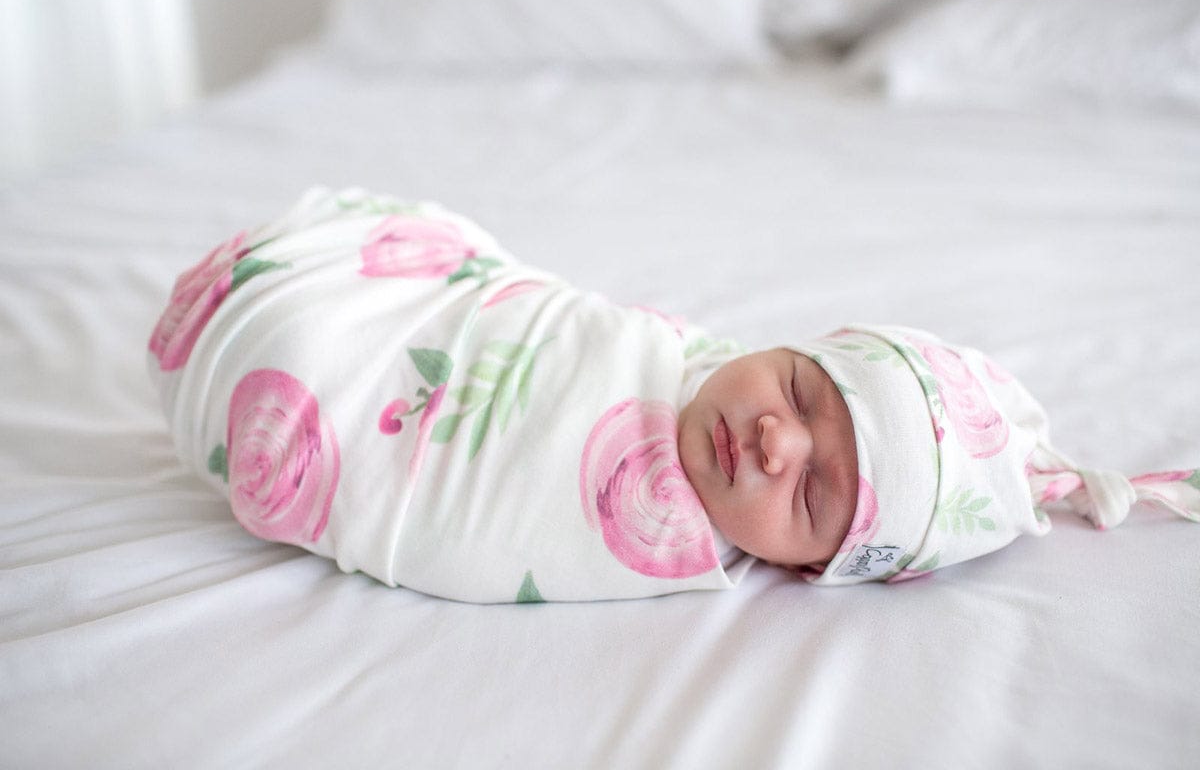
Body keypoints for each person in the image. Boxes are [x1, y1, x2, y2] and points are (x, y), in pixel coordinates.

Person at [149, 188, 1199, 602]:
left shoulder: (666, 541)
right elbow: (537, 325)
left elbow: (473, 508)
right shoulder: (674, 355)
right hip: (393, 299)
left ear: (815, 566)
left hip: (296, 393)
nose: (777, 440)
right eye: (800, 388)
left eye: (814, 493)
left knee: (298, 361)